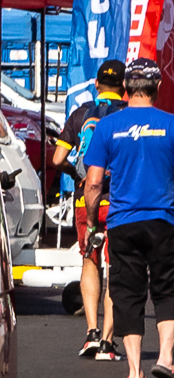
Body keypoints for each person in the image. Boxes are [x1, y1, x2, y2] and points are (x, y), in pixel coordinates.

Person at [82, 58, 174, 378]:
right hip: (164, 220)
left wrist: (93, 222)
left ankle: (135, 374)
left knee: (127, 294)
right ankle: (166, 356)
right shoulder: (171, 125)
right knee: (167, 290)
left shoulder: (108, 127)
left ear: (125, 89)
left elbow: (92, 184)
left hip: (122, 222)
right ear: (158, 88)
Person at [53, 58, 126, 359]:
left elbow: (57, 159)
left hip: (86, 199)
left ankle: (91, 334)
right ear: (123, 87)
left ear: (96, 84)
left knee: (90, 261)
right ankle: (108, 343)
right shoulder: (127, 114)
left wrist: (76, 174)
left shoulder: (80, 113)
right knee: (117, 266)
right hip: (121, 200)